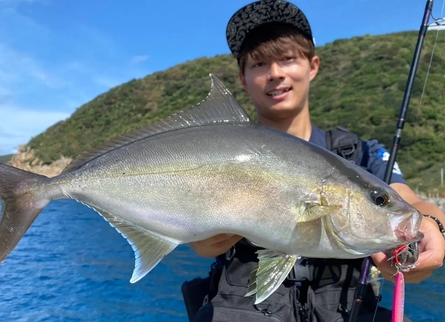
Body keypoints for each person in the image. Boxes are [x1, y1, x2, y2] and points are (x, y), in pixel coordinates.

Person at [182, 1, 445, 321]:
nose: (275, 73)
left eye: (288, 58)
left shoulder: (359, 154)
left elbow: (412, 202)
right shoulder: (217, 153)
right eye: (259, 63)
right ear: (242, 78)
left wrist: (433, 226)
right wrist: (194, 234)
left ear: (313, 65)